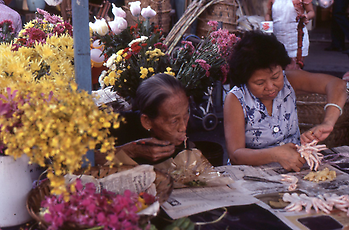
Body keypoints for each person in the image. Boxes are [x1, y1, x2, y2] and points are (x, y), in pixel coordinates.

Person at [224, 30, 347, 172]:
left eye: (275, 77)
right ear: (245, 79)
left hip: (293, 173)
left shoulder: (290, 80)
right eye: (259, 83)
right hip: (250, 176)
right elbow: (236, 155)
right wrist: (275, 154)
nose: (270, 87)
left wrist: (328, 123)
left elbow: (337, 85)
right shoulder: (236, 99)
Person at [101, 73, 190, 165]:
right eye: (174, 121)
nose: (183, 128)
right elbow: (88, 158)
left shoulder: (184, 119)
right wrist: (129, 151)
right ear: (147, 121)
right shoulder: (112, 125)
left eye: (185, 116)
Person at [265, 0, 315, 70]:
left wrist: (306, 16)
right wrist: (267, 27)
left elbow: (311, 12)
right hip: (277, 39)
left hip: (297, 39)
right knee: (278, 70)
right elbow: (268, 14)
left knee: (294, 71)